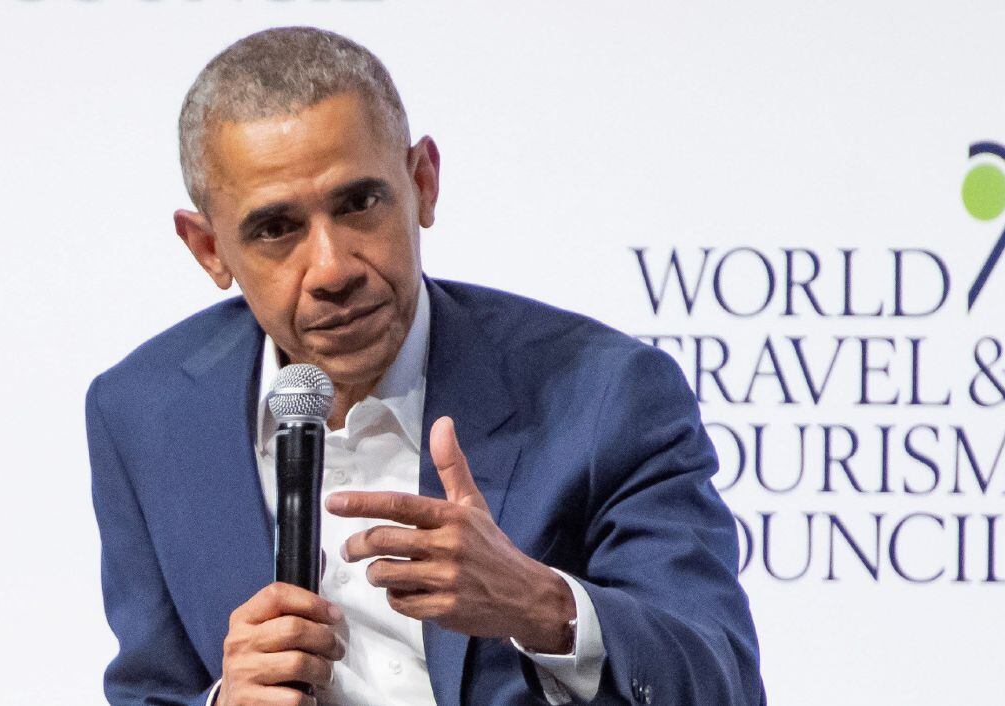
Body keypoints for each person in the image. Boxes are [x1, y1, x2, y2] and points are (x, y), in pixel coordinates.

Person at [85, 26, 764, 706]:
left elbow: (721, 680)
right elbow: (151, 688)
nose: (332, 269)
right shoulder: (143, 414)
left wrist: (542, 606)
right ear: (208, 249)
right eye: (276, 229)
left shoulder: (603, 393)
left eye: (359, 203)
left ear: (423, 184)